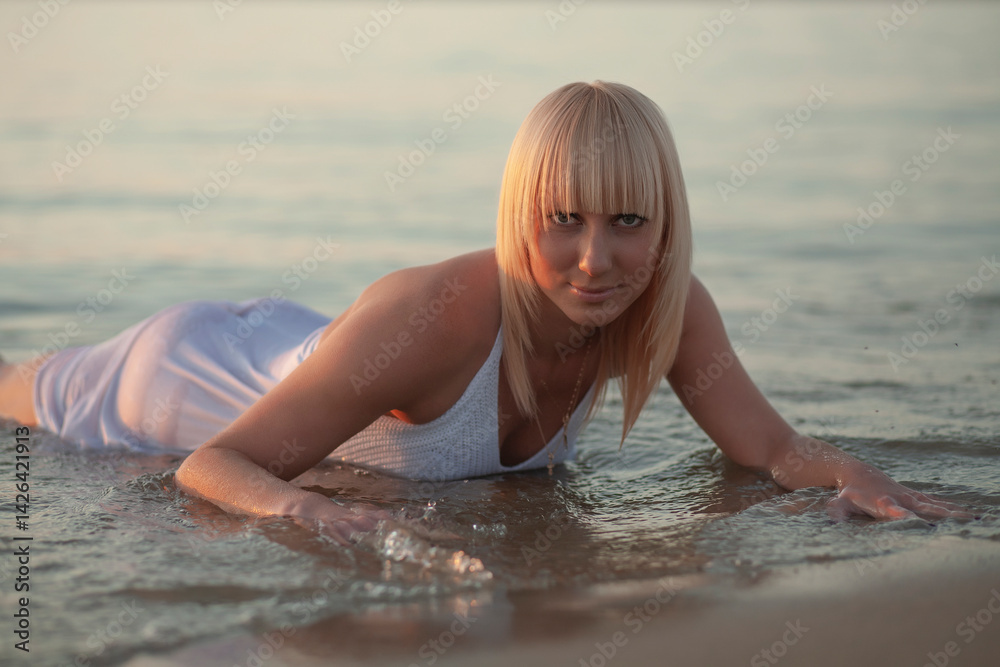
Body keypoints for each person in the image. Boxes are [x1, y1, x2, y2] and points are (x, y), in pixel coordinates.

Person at [0, 81, 968, 543]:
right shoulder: (442, 311)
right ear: (518, 214)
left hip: (304, 347)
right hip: (176, 382)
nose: (596, 260)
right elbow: (212, 465)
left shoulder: (669, 305)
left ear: (667, 222)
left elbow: (772, 448)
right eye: (563, 219)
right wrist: (304, 510)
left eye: (629, 221)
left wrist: (862, 477)